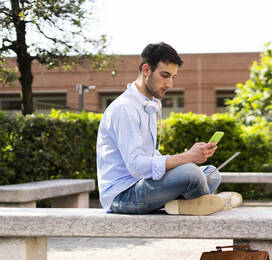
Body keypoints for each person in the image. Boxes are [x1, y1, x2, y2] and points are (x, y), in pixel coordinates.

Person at [96, 42, 242, 215]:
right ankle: (202, 203)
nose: (170, 84)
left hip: (144, 185)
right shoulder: (125, 108)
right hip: (123, 196)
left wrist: (188, 159)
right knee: (191, 174)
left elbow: (152, 159)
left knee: (211, 173)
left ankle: (191, 205)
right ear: (146, 70)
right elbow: (136, 167)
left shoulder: (149, 106)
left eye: (173, 77)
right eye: (165, 75)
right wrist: (187, 157)